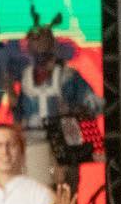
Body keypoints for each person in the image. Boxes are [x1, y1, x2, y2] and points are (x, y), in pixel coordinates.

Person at [10, 24, 101, 187]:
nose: (38, 50)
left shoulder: (68, 76)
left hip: (66, 139)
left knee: (66, 190)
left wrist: (77, 110)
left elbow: (94, 104)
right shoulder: (25, 79)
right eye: (34, 45)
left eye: (43, 44)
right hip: (34, 143)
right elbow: (19, 116)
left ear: (52, 46)